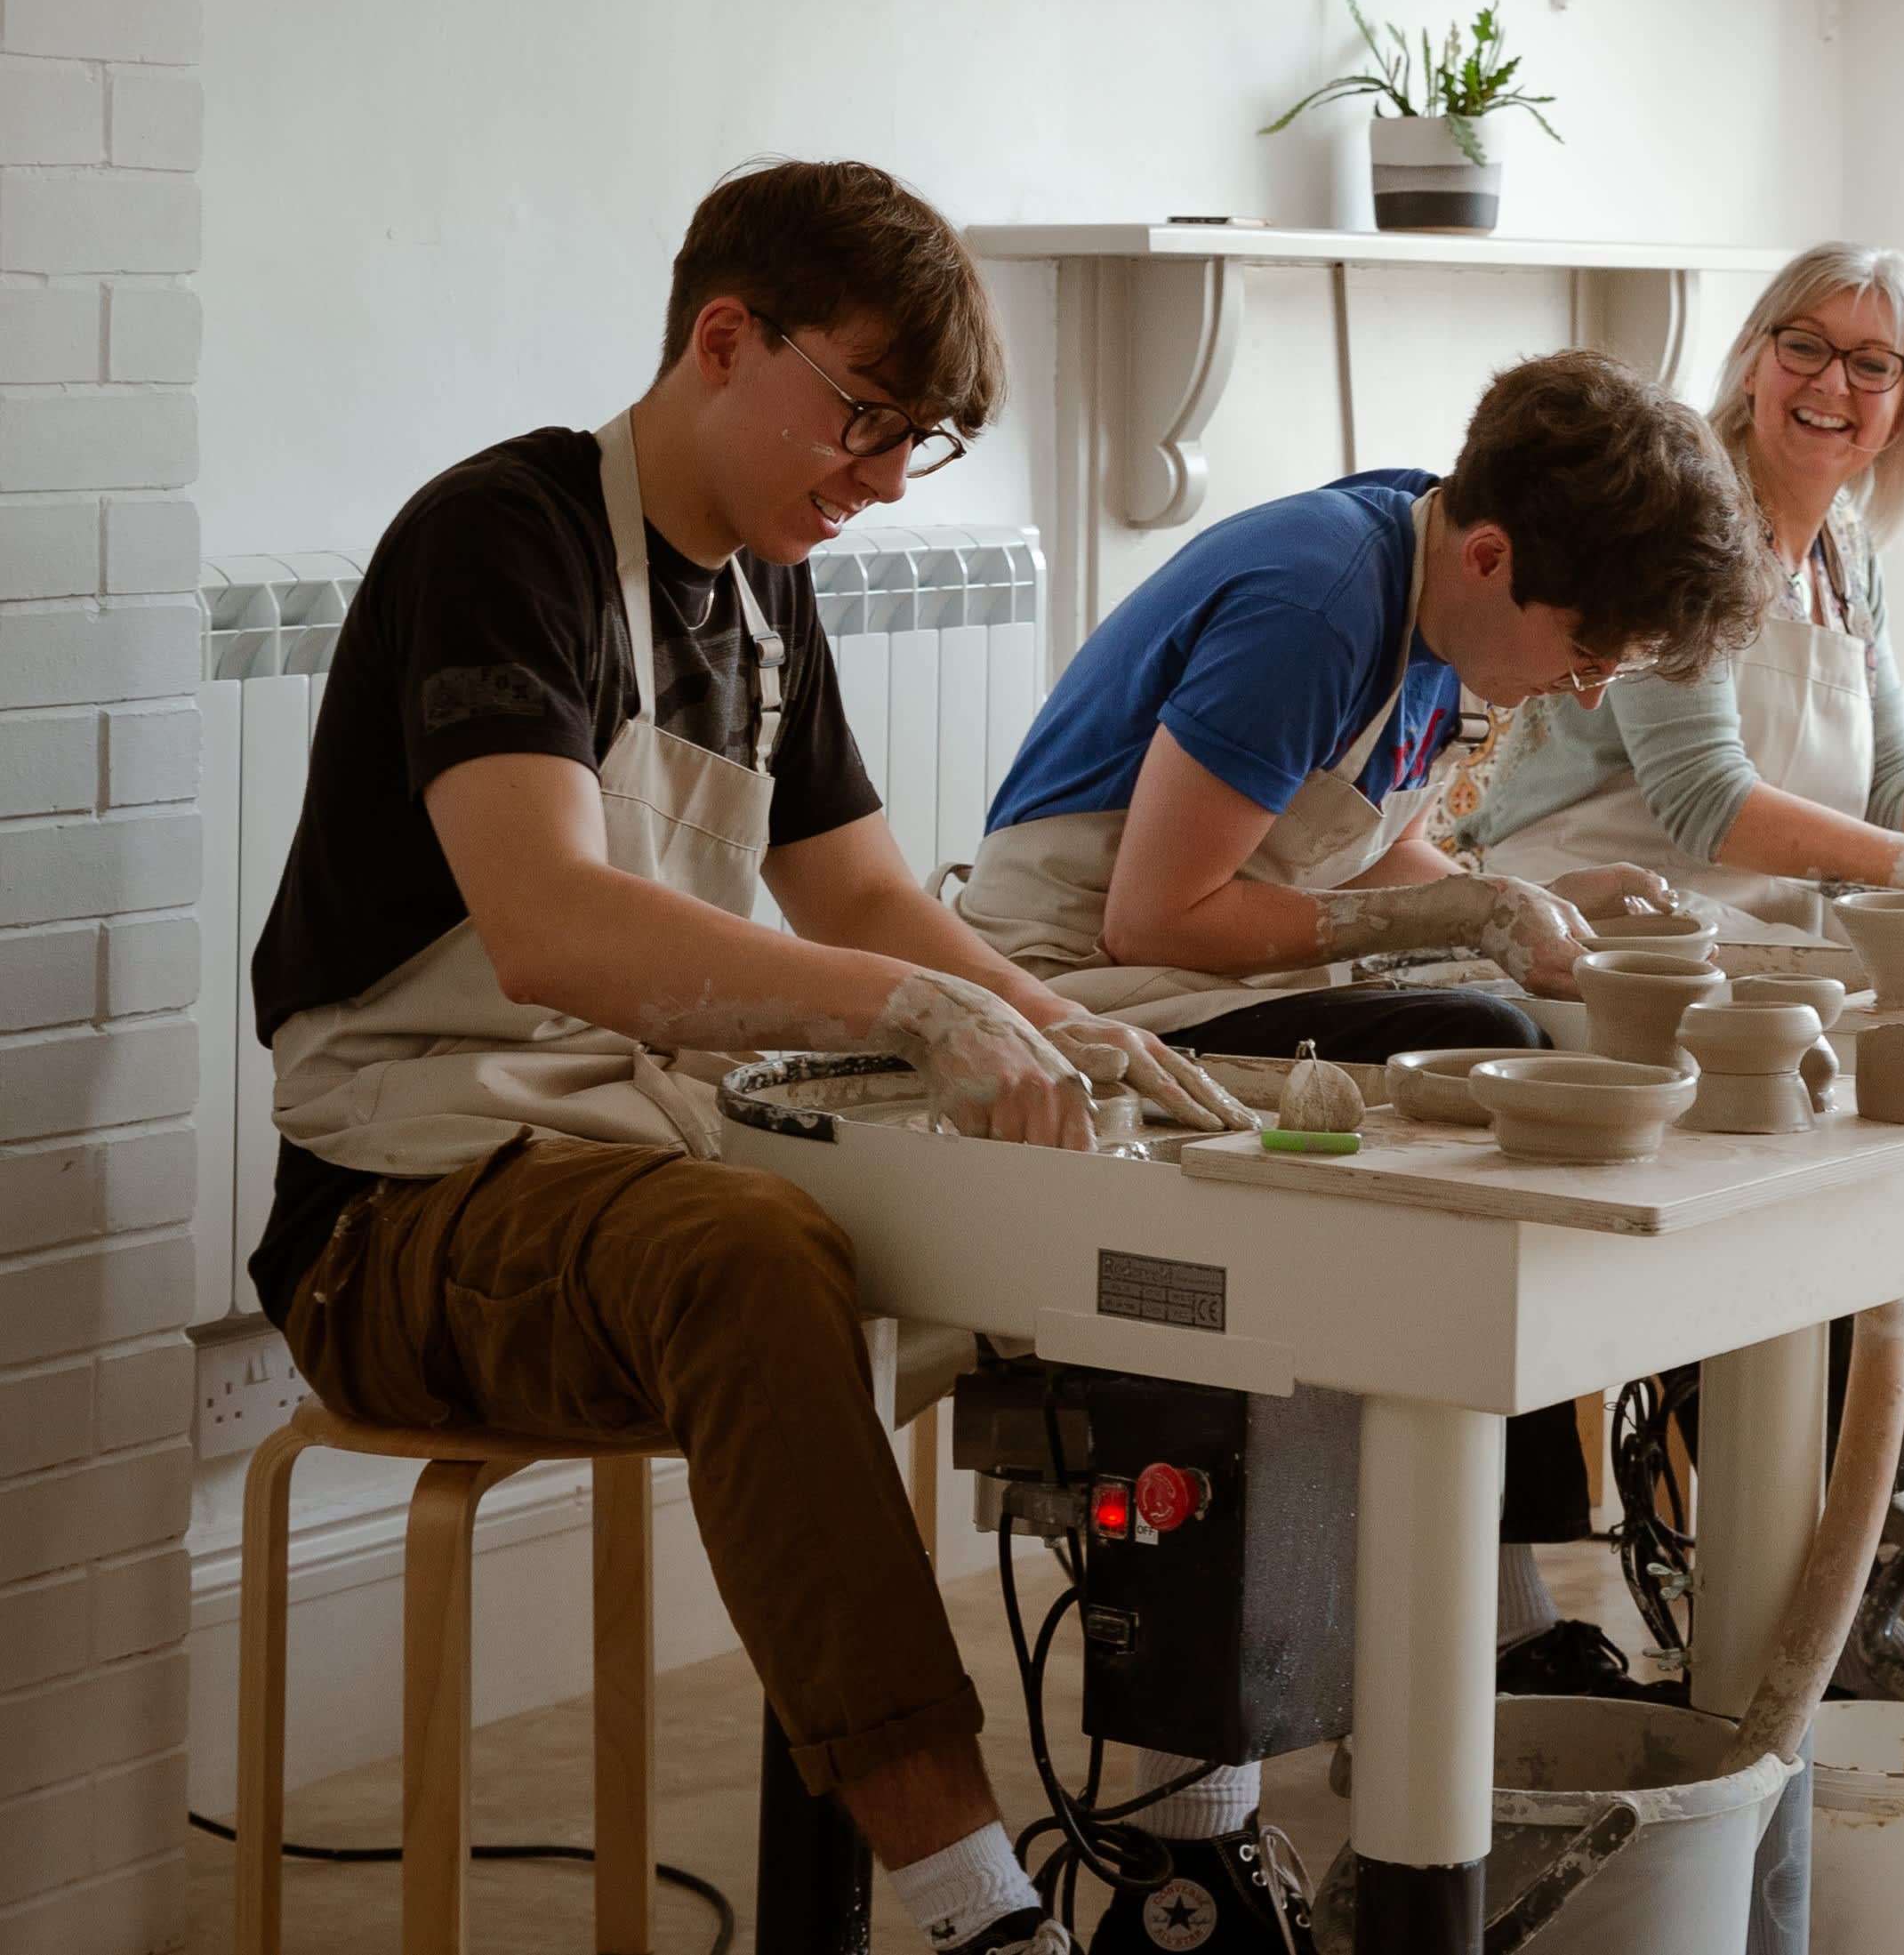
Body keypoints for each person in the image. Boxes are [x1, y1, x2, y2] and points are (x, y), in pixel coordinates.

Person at [246, 161, 1253, 1955]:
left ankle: (1189, 1840)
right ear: (724, 340)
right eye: (866, 421)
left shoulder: (765, 597)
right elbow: (551, 920)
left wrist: (1054, 1020)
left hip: (635, 1151)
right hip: (402, 1206)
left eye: (915, 446)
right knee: (754, 1259)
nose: (878, 483)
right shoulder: (506, 538)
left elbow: (860, 890)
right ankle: (964, 1902)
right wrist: (912, 1016)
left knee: (1155, 1229)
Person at [951, 348, 1772, 1833]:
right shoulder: (1319, 599)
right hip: (1076, 971)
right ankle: (1492, 1626)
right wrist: (1460, 924)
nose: (1583, 691)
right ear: (1491, 555)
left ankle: (1508, 1604)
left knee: (1501, 1015)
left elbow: (1343, 846)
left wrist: (1511, 886)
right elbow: (1161, 911)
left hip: (1202, 949)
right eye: (1586, 654)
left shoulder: (1432, 600)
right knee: (1472, 1037)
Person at [1451, 243, 1904, 928]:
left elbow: (1894, 773)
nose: (1833, 385)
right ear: (1752, 361)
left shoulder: (1846, 548)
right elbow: (1704, 795)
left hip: (1750, 915)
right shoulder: (1676, 515)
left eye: (1872, 365)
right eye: (1805, 347)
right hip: (1588, 905)